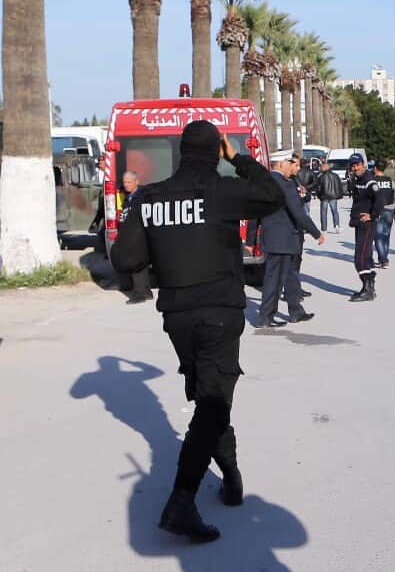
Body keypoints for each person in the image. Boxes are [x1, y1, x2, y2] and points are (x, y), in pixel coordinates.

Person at [109, 120, 284, 543]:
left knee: (209, 398)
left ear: (183, 151)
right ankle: (182, 499)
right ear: (214, 151)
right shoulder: (222, 190)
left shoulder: (149, 197)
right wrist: (238, 157)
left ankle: (232, 479)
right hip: (219, 313)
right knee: (212, 401)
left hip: (178, 318)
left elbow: (125, 260)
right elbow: (273, 194)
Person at [257, 153, 323, 327]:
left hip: (272, 238)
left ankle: (295, 311)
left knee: (285, 277)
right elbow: (297, 212)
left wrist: (251, 239)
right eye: (290, 163)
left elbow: (255, 211)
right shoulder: (285, 184)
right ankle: (266, 317)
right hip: (285, 239)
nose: (293, 166)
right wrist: (316, 232)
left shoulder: (263, 182)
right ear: (281, 164)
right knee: (275, 281)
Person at [118, 170, 153, 304]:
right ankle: (146, 292)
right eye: (124, 182)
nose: (126, 185)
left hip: (139, 234)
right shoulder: (128, 196)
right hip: (132, 234)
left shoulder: (142, 195)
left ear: (136, 182)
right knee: (140, 264)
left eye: (129, 182)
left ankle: (139, 295)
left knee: (136, 263)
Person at [347, 154, 378, 302]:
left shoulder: (369, 180)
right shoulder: (358, 179)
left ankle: (368, 289)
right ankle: (368, 288)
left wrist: (372, 215)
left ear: (363, 164)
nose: (355, 168)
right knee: (366, 257)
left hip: (367, 224)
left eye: (357, 164)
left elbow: (380, 200)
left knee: (360, 258)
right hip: (359, 223)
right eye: (353, 165)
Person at [372, 160, 395, 269]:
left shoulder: (372, 181)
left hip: (376, 210)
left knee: (377, 236)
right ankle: (384, 257)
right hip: (389, 209)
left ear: (375, 168)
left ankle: (383, 259)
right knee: (386, 236)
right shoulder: (390, 181)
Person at [315, 160, 343, 234]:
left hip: (324, 196)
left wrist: (318, 195)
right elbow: (339, 185)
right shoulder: (335, 175)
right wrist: (339, 194)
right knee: (334, 211)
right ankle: (337, 226)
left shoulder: (321, 176)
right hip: (333, 196)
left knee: (323, 212)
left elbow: (319, 187)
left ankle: (324, 228)